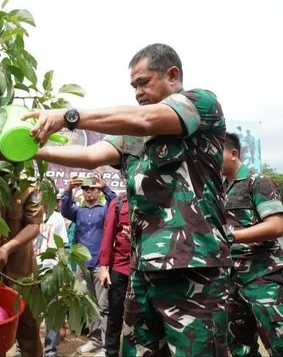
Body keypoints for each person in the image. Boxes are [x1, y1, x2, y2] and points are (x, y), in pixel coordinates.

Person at [23, 43, 231, 355]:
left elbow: (146, 119)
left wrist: (68, 117)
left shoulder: (200, 104)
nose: (137, 92)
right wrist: (28, 149)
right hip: (143, 269)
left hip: (194, 266)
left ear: (172, 75)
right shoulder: (132, 135)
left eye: (143, 82)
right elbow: (90, 155)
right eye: (133, 86)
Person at [222, 132, 283, 356]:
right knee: (239, 348)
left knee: (278, 342)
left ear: (233, 154)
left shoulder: (258, 182)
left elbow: (277, 225)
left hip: (262, 277)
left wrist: (232, 235)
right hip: (231, 281)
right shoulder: (219, 191)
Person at [61, 173, 116, 355]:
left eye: (92, 188)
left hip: (101, 265)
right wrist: (69, 189)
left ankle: (107, 346)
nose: (88, 192)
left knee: (104, 306)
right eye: (85, 189)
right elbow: (64, 210)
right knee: (89, 304)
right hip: (82, 265)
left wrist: (105, 188)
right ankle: (94, 340)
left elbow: (117, 204)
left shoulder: (105, 209)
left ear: (98, 191)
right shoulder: (78, 211)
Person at [0, 182, 45, 357]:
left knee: (29, 333)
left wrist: (7, 248)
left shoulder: (28, 187)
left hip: (22, 275)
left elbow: (34, 225)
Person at [33, 199, 69, 357]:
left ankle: (50, 351)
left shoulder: (57, 218)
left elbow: (61, 246)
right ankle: (24, 350)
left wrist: (63, 270)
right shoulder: (30, 215)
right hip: (31, 272)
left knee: (52, 314)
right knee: (29, 314)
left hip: (51, 272)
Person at [98, 192, 131, 357]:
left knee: (139, 315)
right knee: (115, 313)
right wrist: (104, 266)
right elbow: (108, 233)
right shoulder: (118, 202)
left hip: (143, 268)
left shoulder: (154, 198)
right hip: (120, 267)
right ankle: (111, 353)